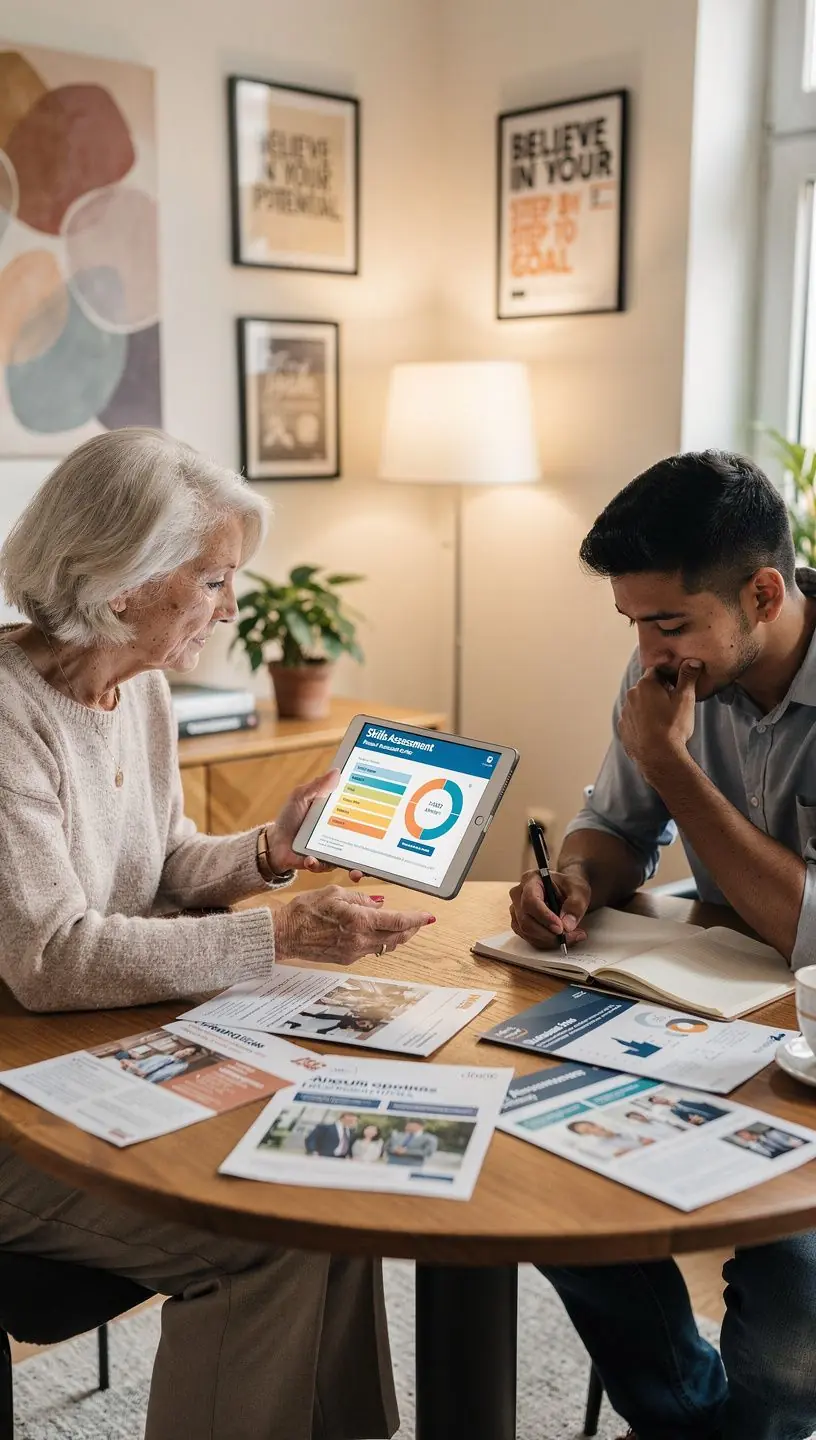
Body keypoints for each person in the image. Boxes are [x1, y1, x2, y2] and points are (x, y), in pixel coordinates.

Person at [0, 428, 440, 1440]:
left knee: (333, 1185)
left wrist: (267, 855)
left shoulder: (139, 686)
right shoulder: (7, 715)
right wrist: (277, 936)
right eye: (211, 579)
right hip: (15, 1104)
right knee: (266, 1241)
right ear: (121, 585)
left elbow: (156, 861)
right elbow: (52, 957)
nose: (229, 607)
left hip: (83, 1060)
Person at [509, 450, 816, 1440]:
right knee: (553, 1183)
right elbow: (617, 831)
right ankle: (691, 1422)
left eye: (667, 622)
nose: (647, 650)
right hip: (715, 1008)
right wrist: (575, 881)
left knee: (790, 1334)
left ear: (764, 592)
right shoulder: (671, 665)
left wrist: (671, 768)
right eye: (632, 623)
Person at [566, 1119, 655, 1160]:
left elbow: (645, 1136)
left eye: (592, 1126)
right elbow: (619, 1155)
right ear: (585, 1135)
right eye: (587, 1131)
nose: (594, 1130)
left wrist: (643, 1138)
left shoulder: (619, 1127)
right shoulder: (600, 1145)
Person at [119, 1044, 200, 1083]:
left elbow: (166, 1077)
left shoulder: (182, 1066)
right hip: (131, 1076)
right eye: (185, 1051)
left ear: (190, 1056)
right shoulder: (159, 1056)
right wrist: (132, 1066)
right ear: (181, 1049)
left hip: (147, 1083)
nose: (185, 1053)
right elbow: (140, 1064)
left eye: (189, 1053)